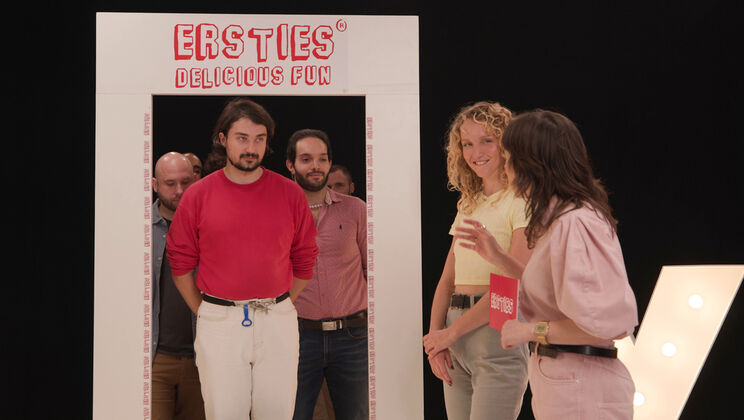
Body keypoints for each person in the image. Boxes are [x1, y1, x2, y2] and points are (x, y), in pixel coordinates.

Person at [454, 110, 638, 420]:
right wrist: (499, 258)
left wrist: (528, 330)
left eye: (509, 158)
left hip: (581, 387)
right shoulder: (561, 220)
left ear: (531, 164)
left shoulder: (575, 223)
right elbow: (554, 296)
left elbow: (599, 327)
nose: (506, 168)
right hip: (566, 382)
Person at [166, 97, 319, 420]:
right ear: (223, 139)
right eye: (242, 138)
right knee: (224, 414)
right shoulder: (198, 195)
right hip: (219, 320)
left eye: (259, 139)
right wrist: (206, 311)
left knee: (277, 414)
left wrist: (277, 303)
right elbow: (180, 263)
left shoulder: (290, 193)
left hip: (277, 319)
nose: (251, 148)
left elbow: (305, 259)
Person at [422, 102, 531, 420]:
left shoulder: (523, 200)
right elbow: (447, 280)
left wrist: (450, 334)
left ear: (506, 144)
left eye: (486, 140)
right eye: (467, 143)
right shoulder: (468, 204)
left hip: (496, 330)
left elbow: (511, 285)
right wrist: (436, 340)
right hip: (454, 335)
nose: (476, 152)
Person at [285, 129, 369, 420]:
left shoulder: (356, 209)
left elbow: (372, 272)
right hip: (297, 335)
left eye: (322, 159)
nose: (316, 166)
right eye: (306, 159)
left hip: (353, 336)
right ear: (290, 165)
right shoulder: (277, 212)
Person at [151, 152, 205, 420]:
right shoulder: (138, 229)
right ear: (155, 185)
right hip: (155, 359)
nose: (180, 191)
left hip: (201, 359)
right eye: (170, 183)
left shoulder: (210, 226)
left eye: (186, 181)